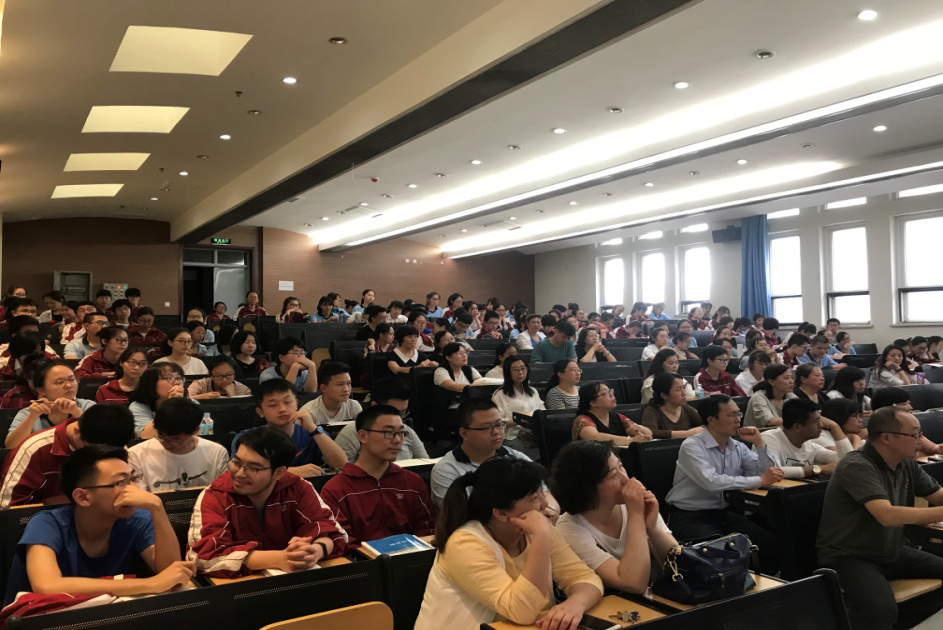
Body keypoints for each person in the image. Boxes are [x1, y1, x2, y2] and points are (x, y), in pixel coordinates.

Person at [417, 456, 602, 630]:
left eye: (542, 493)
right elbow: (521, 611)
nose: (545, 504)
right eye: (534, 498)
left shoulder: (538, 530)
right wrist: (541, 538)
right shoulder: (465, 544)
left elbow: (584, 577)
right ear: (502, 513)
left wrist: (575, 604)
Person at [3, 445, 194, 607]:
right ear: (83, 497)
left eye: (132, 479)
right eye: (120, 482)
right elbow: (47, 586)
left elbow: (170, 574)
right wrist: (149, 584)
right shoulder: (47, 523)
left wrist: (157, 508)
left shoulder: (136, 519)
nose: (133, 490)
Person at [816, 407, 943, 630]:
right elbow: (886, 515)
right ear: (886, 437)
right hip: (849, 555)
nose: (921, 440)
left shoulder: (906, 462)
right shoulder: (857, 465)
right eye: (914, 434)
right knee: (882, 610)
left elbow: (938, 496)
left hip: (890, 551)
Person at [187, 426, 347, 577]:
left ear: (279, 472)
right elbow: (201, 557)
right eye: (236, 463)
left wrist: (314, 551)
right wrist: (280, 558)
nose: (240, 473)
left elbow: (334, 533)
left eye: (253, 468)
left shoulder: (298, 488)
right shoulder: (215, 495)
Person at [665, 395, 783, 574]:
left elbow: (772, 472)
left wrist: (759, 443)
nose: (738, 419)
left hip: (723, 513)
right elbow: (711, 481)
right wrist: (760, 481)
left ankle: (768, 584)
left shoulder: (737, 446)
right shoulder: (692, 446)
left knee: (772, 544)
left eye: (738, 414)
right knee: (724, 555)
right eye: (731, 415)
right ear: (711, 420)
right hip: (689, 517)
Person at [549, 441, 678, 593]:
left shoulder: (632, 504)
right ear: (588, 489)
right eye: (613, 475)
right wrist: (636, 516)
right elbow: (633, 584)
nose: (626, 479)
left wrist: (653, 528)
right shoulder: (568, 531)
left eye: (621, 466)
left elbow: (680, 564)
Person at [320, 405, 435, 547]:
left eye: (401, 433)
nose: (397, 440)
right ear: (363, 436)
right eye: (388, 432)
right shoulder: (336, 489)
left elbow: (427, 529)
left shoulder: (412, 482)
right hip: (362, 559)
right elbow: (341, 540)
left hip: (413, 556)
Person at [430, 398, 560, 511]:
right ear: (464, 433)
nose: (496, 432)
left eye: (499, 424)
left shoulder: (516, 457)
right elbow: (459, 515)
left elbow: (545, 494)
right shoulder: (446, 470)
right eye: (486, 428)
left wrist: (551, 511)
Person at [0, 405, 135, 507]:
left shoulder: (114, 443)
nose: (102, 455)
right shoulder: (36, 448)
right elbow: (9, 507)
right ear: (77, 431)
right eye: (95, 449)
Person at [235, 378, 347, 478]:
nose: (282, 409)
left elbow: (342, 464)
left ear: (296, 403)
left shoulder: (312, 432)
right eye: (273, 405)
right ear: (260, 412)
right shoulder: (247, 438)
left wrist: (313, 428)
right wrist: (292, 472)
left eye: (287, 402)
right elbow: (240, 472)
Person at [128, 398, 228, 492]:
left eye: (175, 439)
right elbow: (138, 498)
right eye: (161, 436)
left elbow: (222, 494)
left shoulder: (216, 453)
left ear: (195, 431)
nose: (166, 444)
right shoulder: (136, 455)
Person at [6, 361, 96, 448]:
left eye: (72, 379)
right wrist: (32, 417)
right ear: (41, 390)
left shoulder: (88, 406)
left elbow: (100, 439)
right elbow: (11, 446)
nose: (69, 385)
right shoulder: (29, 413)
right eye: (59, 382)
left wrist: (77, 414)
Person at [334, 380, 428, 462]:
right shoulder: (352, 432)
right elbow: (343, 470)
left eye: (402, 412)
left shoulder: (407, 431)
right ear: (375, 406)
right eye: (392, 413)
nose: (399, 419)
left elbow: (425, 464)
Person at [761, 398, 852, 479]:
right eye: (816, 422)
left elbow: (849, 462)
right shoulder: (768, 439)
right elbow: (772, 472)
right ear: (797, 427)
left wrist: (835, 427)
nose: (821, 425)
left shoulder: (810, 445)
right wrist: (818, 469)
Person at [573, 382, 652, 445]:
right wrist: (630, 440)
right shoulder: (582, 420)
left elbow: (648, 434)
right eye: (605, 393)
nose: (612, 395)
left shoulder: (618, 417)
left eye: (610, 391)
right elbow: (594, 437)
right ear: (593, 402)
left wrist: (640, 429)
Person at [491, 356, 544, 447]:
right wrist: (519, 420)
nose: (520, 372)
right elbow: (498, 423)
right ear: (508, 372)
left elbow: (543, 411)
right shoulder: (500, 394)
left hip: (535, 433)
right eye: (516, 370)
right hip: (514, 436)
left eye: (523, 368)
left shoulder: (533, 391)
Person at [129, 364, 186, 440]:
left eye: (178, 378)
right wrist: (170, 405)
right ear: (152, 382)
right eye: (169, 378)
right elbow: (146, 436)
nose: (177, 383)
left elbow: (197, 434)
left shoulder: (192, 404)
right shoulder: (138, 407)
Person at [641, 372, 704, 439]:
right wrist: (686, 433)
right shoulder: (651, 411)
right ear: (664, 395)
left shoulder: (685, 408)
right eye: (678, 389)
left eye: (684, 388)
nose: (684, 393)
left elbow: (708, 422)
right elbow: (650, 433)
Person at [743, 364, 796, 428]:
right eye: (786, 378)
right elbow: (771, 422)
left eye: (792, 377)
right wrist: (800, 420)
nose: (792, 381)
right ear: (771, 382)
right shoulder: (758, 397)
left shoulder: (790, 396)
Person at [187, 355, 252, 399]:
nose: (224, 380)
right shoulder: (201, 384)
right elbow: (185, 399)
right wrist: (203, 397)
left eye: (229, 375)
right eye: (219, 376)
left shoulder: (243, 390)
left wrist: (233, 396)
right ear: (211, 375)